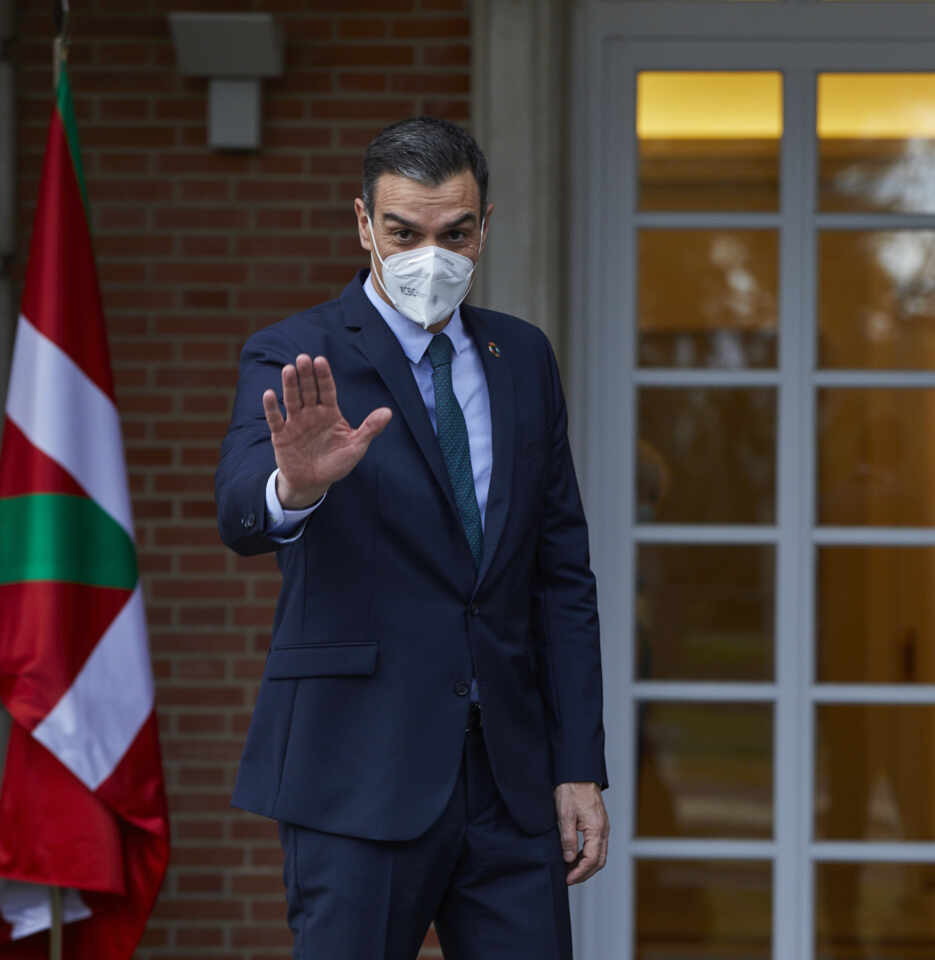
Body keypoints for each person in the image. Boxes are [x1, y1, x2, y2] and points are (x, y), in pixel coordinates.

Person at [214, 116, 607, 960]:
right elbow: (240, 512)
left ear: (484, 227)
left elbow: (560, 573)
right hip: (358, 768)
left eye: (454, 233)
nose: (432, 253)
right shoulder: (295, 351)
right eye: (404, 232)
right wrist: (299, 484)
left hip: (509, 781)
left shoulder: (523, 357)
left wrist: (577, 765)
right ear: (365, 224)